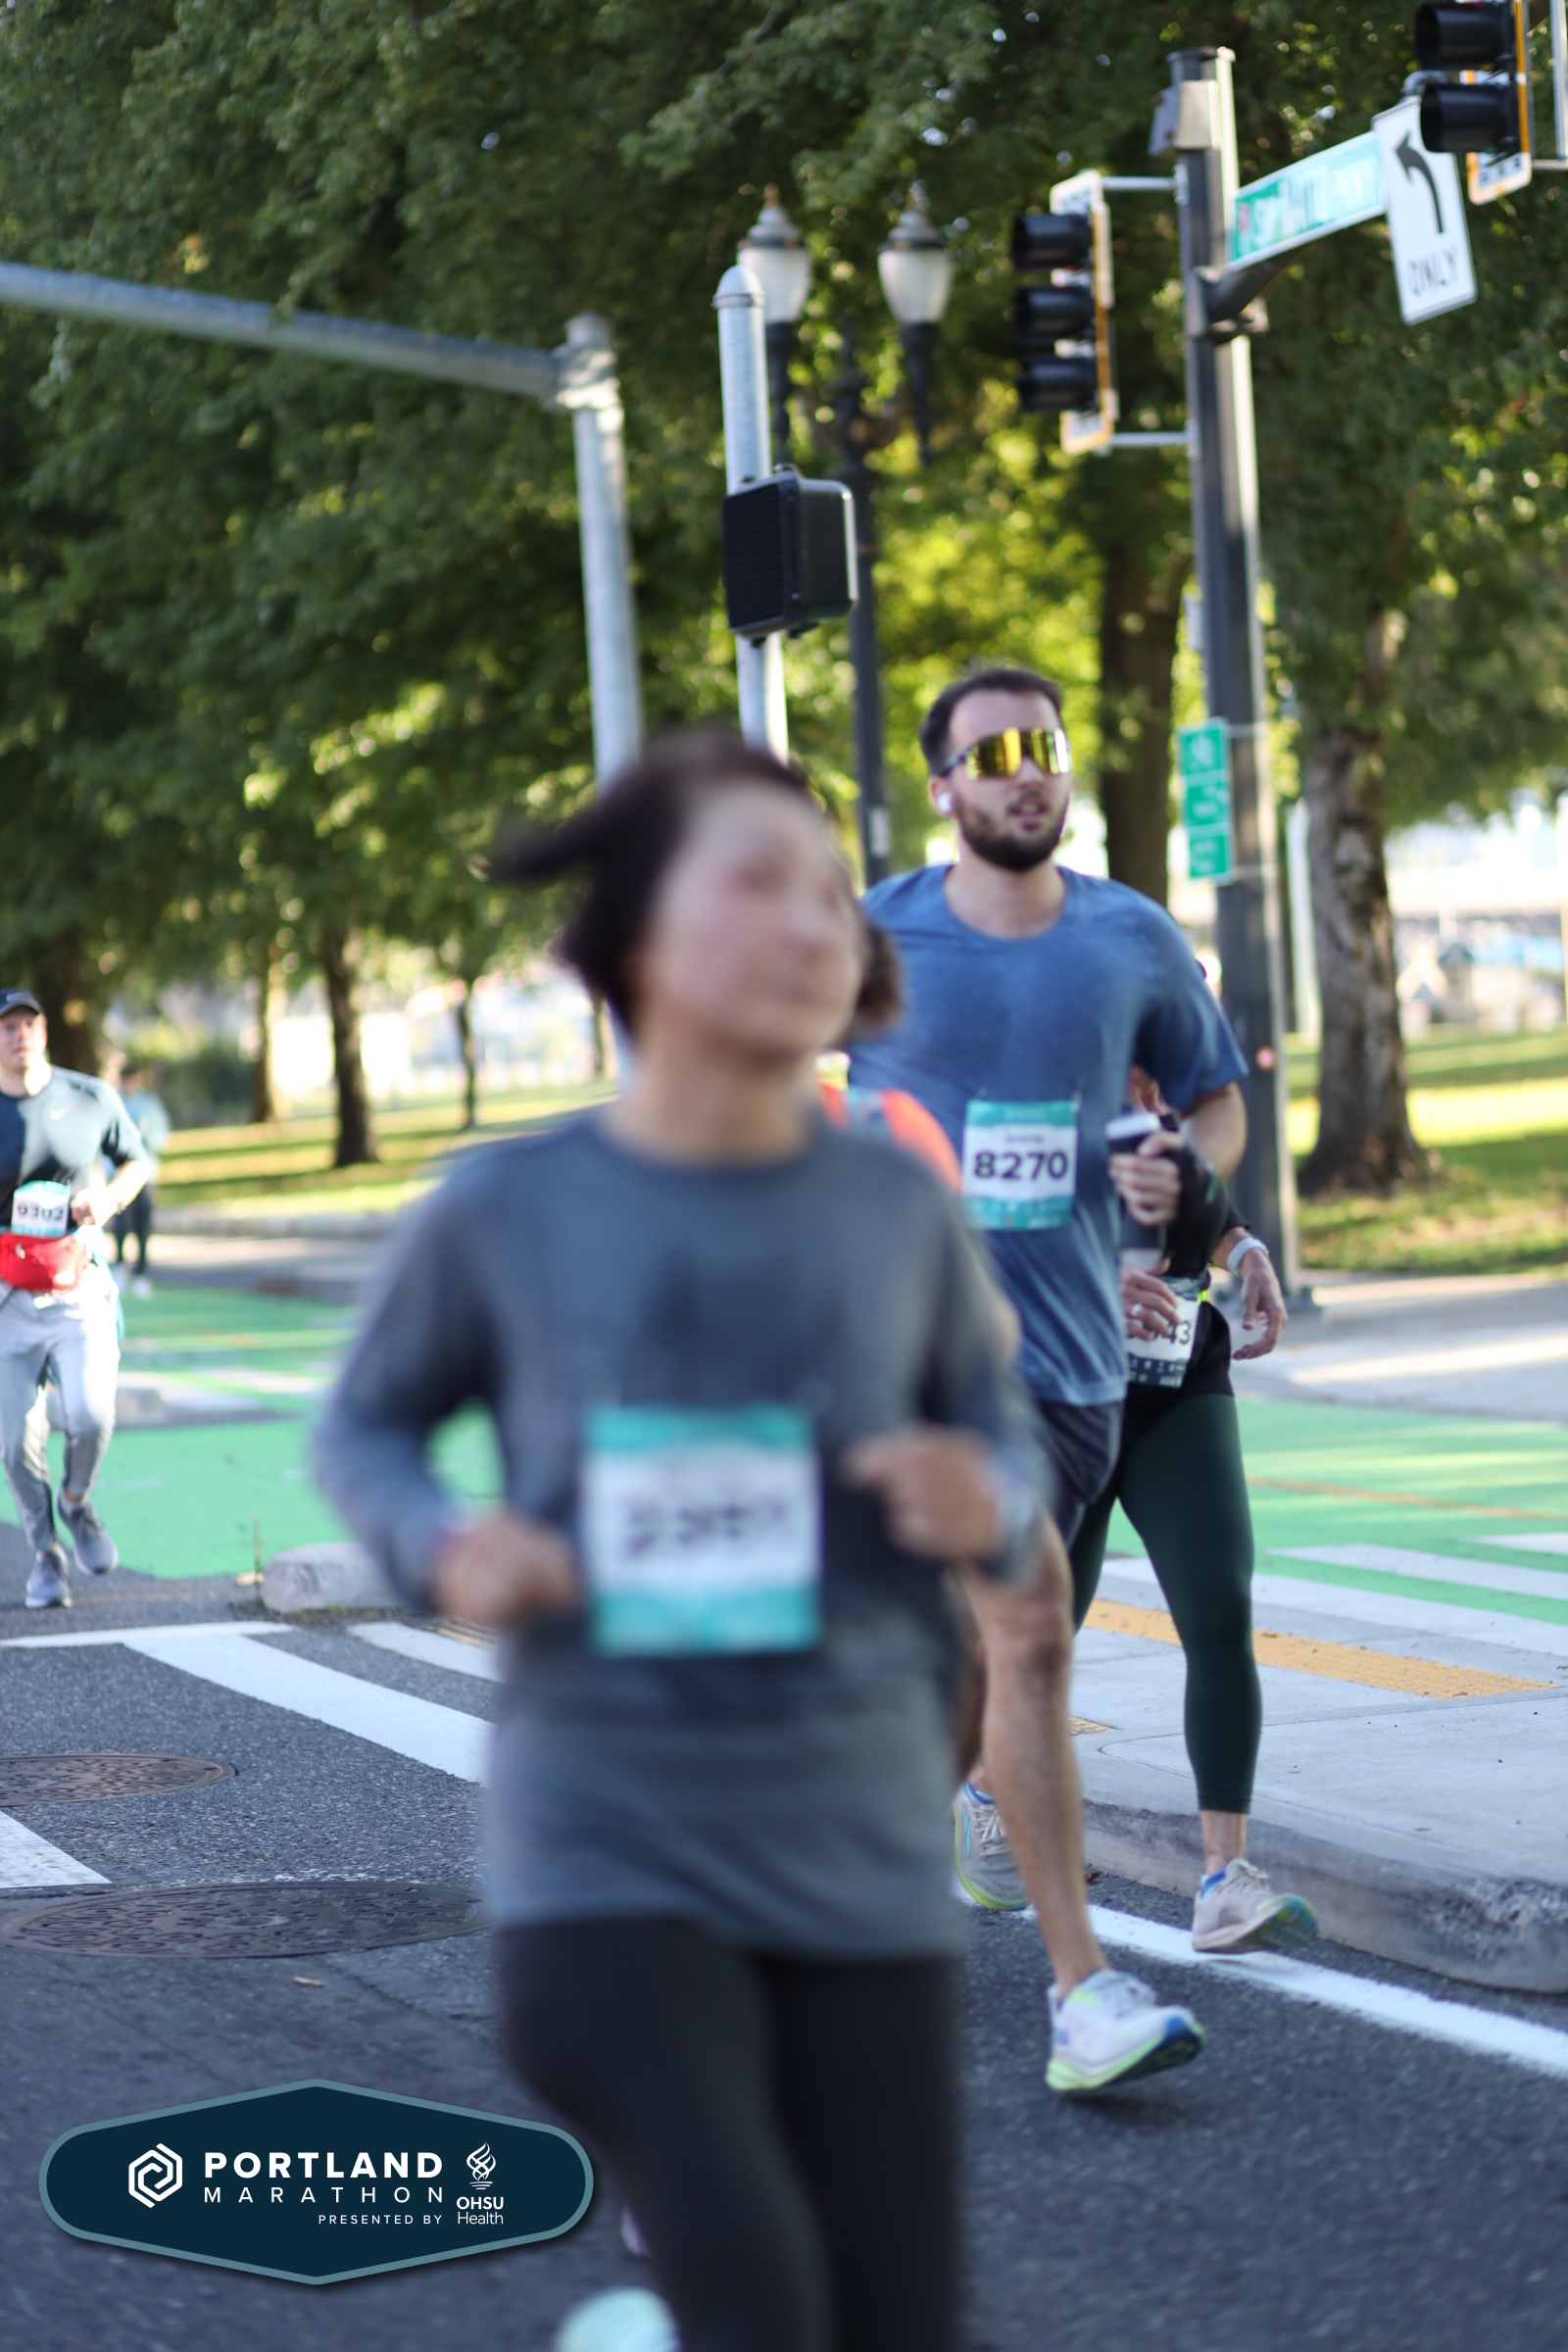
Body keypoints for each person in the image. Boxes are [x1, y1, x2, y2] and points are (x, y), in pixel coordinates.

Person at [315, 731, 1057, 2352]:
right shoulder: (507, 1210)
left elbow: (1001, 1446)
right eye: (757, 881)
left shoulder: (895, 1212)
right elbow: (362, 1429)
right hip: (610, 1861)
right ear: (641, 933)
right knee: (761, 2301)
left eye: (832, 895)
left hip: (862, 1862)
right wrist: (445, 1543)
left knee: (898, 2326)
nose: (813, 923)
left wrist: (983, 1499)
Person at [850, 664, 1250, 2090]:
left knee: (977, 1666)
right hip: (925, 1363)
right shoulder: (874, 936)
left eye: (1047, 745)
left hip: (1080, 1366)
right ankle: (1082, 1992)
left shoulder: (1128, 938)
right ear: (943, 787)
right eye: (994, 752)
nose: (1028, 769)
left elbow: (1215, 1103)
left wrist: (1182, 1177)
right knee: (1027, 1631)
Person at [1073, 1068, 1317, 1954]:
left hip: (1178, 1381)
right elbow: (963, 1236)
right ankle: (988, 1789)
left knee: (1218, 1604)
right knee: (1033, 1632)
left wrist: (1246, 1252)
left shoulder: (1183, 1096)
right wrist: (1081, 1285)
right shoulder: (1036, 1079)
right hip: (1060, 1392)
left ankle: (1224, 1880)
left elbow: (1196, 1198)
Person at [0, 989, 149, 1606]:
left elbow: (136, 1161)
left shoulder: (89, 1097)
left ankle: (77, 1500)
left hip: (77, 1283)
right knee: (14, 1444)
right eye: (8, 1026)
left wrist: (107, 1200)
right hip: (7, 1297)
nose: (20, 1034)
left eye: (29, 1023)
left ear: (44, 1030)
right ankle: (46, 1555)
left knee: (90, 1414)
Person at [110, 1058, 172, 1297]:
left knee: (143, 1224)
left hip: (145, 1173)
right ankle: (119, 1265)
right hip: (118, 1172)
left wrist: (145, 1133)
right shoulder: (114, 1101)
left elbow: (161, 1137)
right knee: (120, 1221)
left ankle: (141, 1272)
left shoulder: (148, 1104)